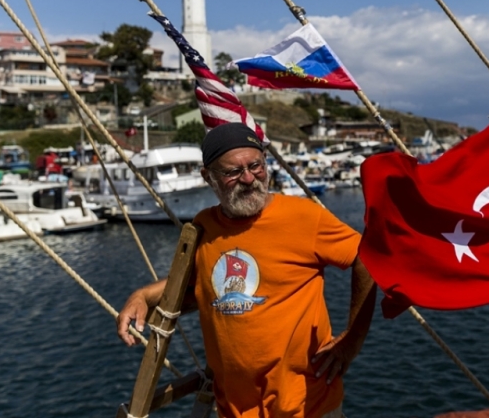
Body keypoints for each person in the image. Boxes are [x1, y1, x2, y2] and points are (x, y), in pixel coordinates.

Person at [116, 122, 376, 418]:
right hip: (234, 410)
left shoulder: (304, 217)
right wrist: (143, 295)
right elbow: (194, 279)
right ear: (208, 177)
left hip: (307, 407)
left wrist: (352, 341)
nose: (249, 178)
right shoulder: (203, 226)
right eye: (233, 172)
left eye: (256, 166)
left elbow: (365, 257)